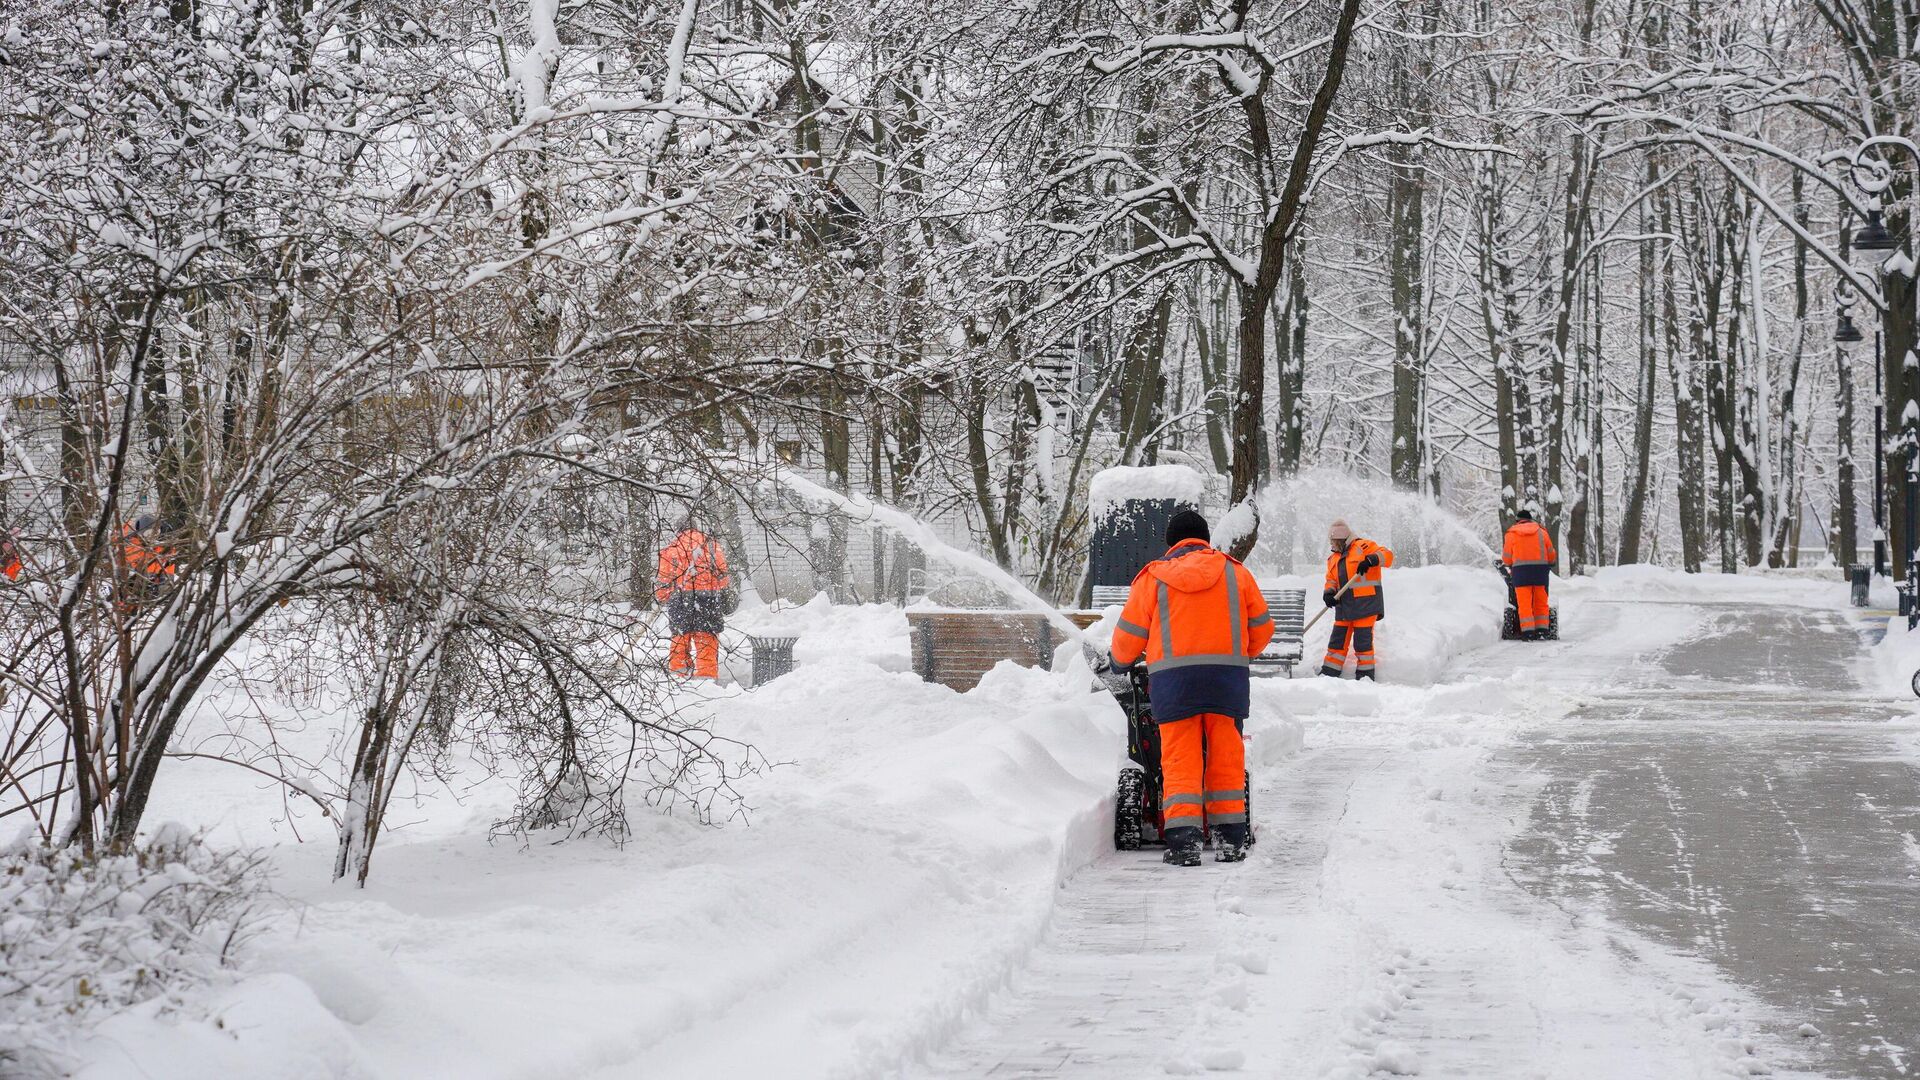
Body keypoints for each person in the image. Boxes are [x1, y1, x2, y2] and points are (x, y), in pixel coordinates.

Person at [1110, 510, 1273, 867]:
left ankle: (1183, 844)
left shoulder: (1152, 579)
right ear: (1205, 539)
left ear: (1172, 543)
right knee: (1226, 759)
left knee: (1180, 759)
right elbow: (1262, 629)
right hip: (1225, 683)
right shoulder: (1236, 573)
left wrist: (1119, 662)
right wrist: (1236, 651)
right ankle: (1229, 841)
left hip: (1174, 685)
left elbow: (1128, 638)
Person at [655, 517, 732, 680]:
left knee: (680, 638)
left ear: (678, 529)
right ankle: (706, 677)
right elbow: (723, 578)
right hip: (708, 599)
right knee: (706, 639)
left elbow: (663, 579)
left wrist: (663, 595)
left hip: (679, 599)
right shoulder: (712, 546)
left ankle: (679, 674)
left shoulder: (671, 549)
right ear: (696, 528)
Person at [1320, 519, 1392, 680]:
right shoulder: (1333, 559)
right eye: (1332, 541)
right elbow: (1331, 580)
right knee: (1337, 642)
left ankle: (1365, 676)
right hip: (1344, 607)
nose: (1333, 544)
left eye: (1336, 541)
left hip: (1366, 604)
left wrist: (1371, 559)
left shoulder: (1363, 547)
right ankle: (1329, 674)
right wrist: (1329, 594)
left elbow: (1388, 556)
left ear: (1344, 539)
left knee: (1362, 643)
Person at [1502, 508, 1556, 640]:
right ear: (1530, 519)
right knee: (1541, 601)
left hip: (1520, 572)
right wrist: (1551, 562)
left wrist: (1509, 563)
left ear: (1518, 521)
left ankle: (1528, 632)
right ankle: (1542, 630)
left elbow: (1507, 557)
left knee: (1524, 603)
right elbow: (1550, 552)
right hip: (1540, 571)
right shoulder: (1542, 532)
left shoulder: (1511, 533)